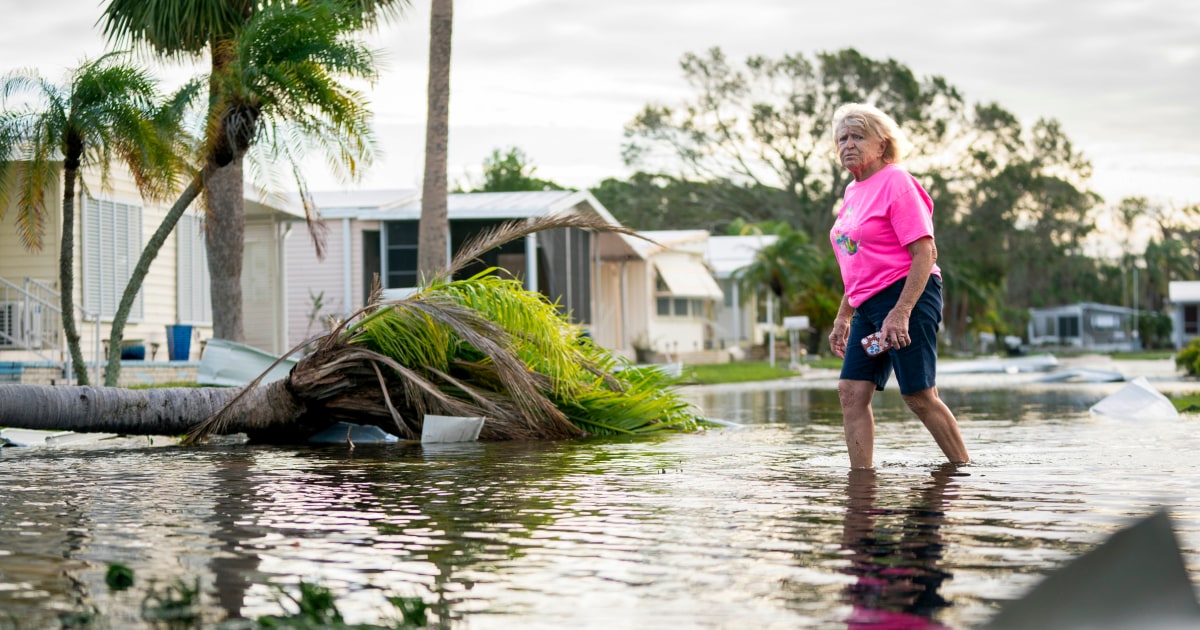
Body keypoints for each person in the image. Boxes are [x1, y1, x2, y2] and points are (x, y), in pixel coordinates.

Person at [827, 103, 969, 469]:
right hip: (868, 305)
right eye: (842, 138)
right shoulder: (852, 192)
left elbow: (925, 251)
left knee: (919, 395)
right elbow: (857, 262)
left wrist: (900, 312)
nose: (848, 145)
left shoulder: (897, 182)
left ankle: (964, 472)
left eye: (858, 136)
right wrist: (843, 316)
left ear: (882, 145)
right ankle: (862, 483)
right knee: (851, 392)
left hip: (908, 295)